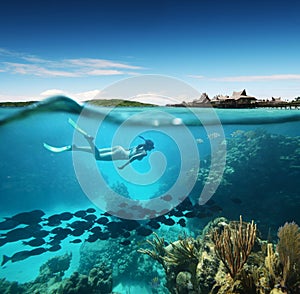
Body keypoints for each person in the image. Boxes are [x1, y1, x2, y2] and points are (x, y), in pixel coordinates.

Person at [43, 119, 155, 170]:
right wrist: (124, 166)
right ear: (150, 148)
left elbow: (129, 150)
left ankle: (75, 148)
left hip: (119, 149)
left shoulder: (139, 146)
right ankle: (89, 139)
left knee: (97, 151)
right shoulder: (144, 153)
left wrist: (120, 150)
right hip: (120, 155)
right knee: (97, 157)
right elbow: (134, 157)